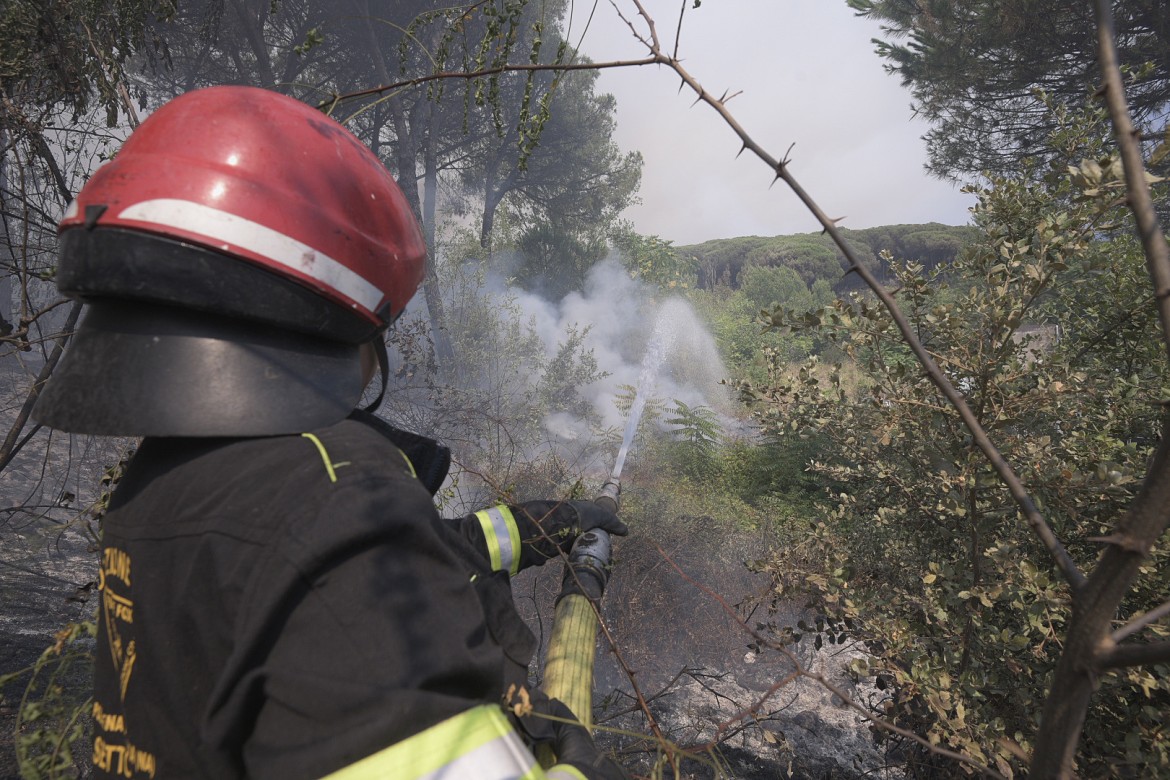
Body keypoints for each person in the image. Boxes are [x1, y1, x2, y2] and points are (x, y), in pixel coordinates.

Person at [34, 85, 627, 780]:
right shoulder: (334, 496)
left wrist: (525, 529)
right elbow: (343, 569)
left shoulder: (167, 481)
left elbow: (313, 577)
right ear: (338, 307)